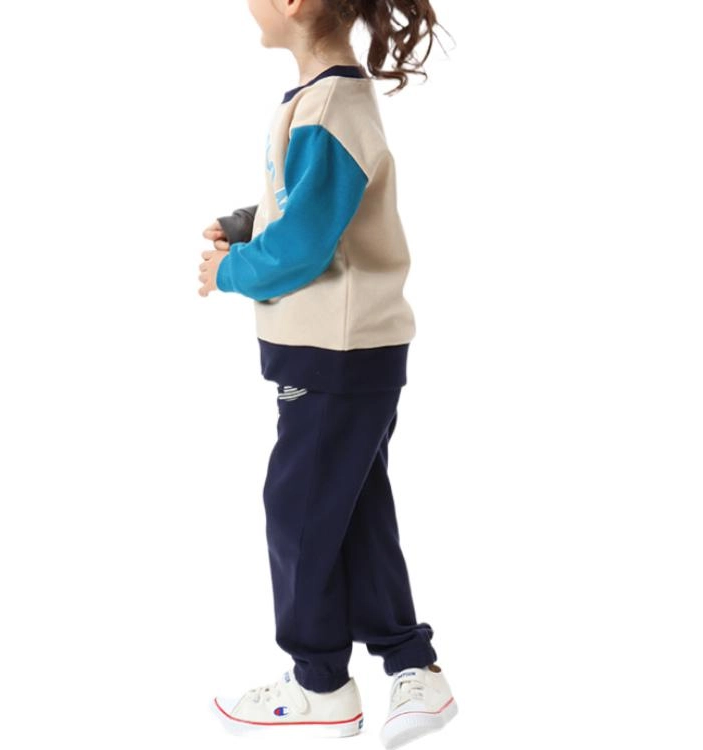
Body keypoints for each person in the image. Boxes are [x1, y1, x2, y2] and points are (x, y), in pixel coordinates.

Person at [198, 1, 458, 747]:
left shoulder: (331, 107)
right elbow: (311, 209)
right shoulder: (325, 100)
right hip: (347, 351)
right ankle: (411, 665)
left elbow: (304, 248)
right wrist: (249, 221)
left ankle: (319, 683)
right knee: (354, 512)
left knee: (300, 510)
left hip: (334, 352)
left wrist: (229, 269)